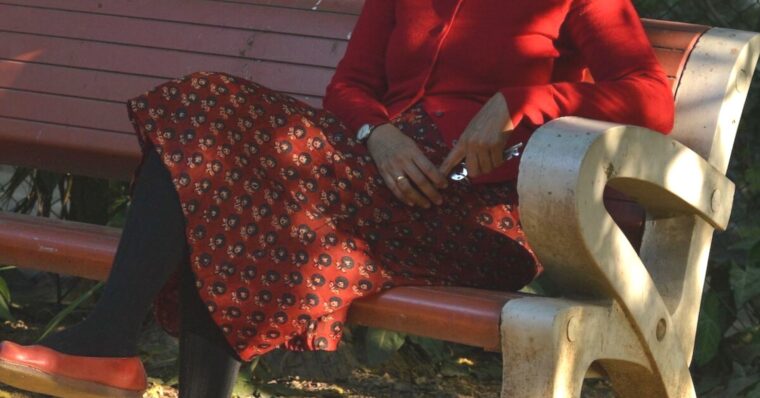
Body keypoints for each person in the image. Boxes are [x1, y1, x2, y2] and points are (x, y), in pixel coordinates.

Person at [0, 0, 675, 397]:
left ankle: (109, 346)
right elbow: (349, 86)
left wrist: (523, 102)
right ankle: (109, 347)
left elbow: (652, 98)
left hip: (474, 211)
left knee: (234, 175)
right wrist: (375, 133)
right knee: (215, 151)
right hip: (373, 177)